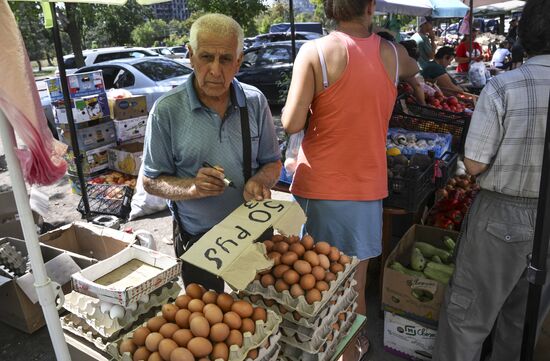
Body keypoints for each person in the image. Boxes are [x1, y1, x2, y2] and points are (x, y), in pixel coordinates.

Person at [281, 0, 420, 358]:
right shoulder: (393, 54)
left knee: (315, 278)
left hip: (320, 187)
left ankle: (316, 347)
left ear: (328, 7)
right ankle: (352, 348)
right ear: (371, 6)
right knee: (354, 282)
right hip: (367, 188)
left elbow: (292, 123)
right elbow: (415, 66)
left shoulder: (315, 52)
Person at [433, 1, 550, 360]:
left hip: (501, 215)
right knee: (522, 320)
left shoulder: (504, 87)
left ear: (522, 34)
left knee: (468, 317)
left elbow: (474, 164)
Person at [142, 13, 282, 293]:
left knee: (259, 308)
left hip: (252, 230)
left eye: (226, 59)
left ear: (239, 61)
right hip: (199, 240)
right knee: (208, 322)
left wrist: (260, 181)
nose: (216, 70)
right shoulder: (167, 111)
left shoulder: (254, 102)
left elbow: (273, 163)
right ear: (190, 56)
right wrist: (192, 187)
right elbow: (151, 181)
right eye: (206, 57)